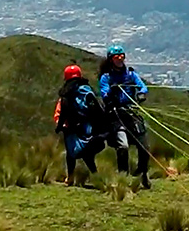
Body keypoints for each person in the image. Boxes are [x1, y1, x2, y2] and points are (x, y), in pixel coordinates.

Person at [99, 45, 151, 188]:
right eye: (117, 57)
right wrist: (111, 92)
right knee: (123, 146)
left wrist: (141, 93)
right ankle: (124, 176)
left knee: (144, 146)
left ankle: (143, 172)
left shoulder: (130, 74)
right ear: (111, 60)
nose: (121, 59)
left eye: (122, 56)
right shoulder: (106, 77)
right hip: (116, 116)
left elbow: (142, 86)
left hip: (132, 113)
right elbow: (104, 93)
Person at [54, 63, 105, 185]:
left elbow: (64, 111)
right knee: (87, 154)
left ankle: (70, 177)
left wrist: (59, 127)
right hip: (88, 126)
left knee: (71, 153)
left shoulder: (67, 93)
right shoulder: (86, 89)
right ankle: (96, 176)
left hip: (71, 127)